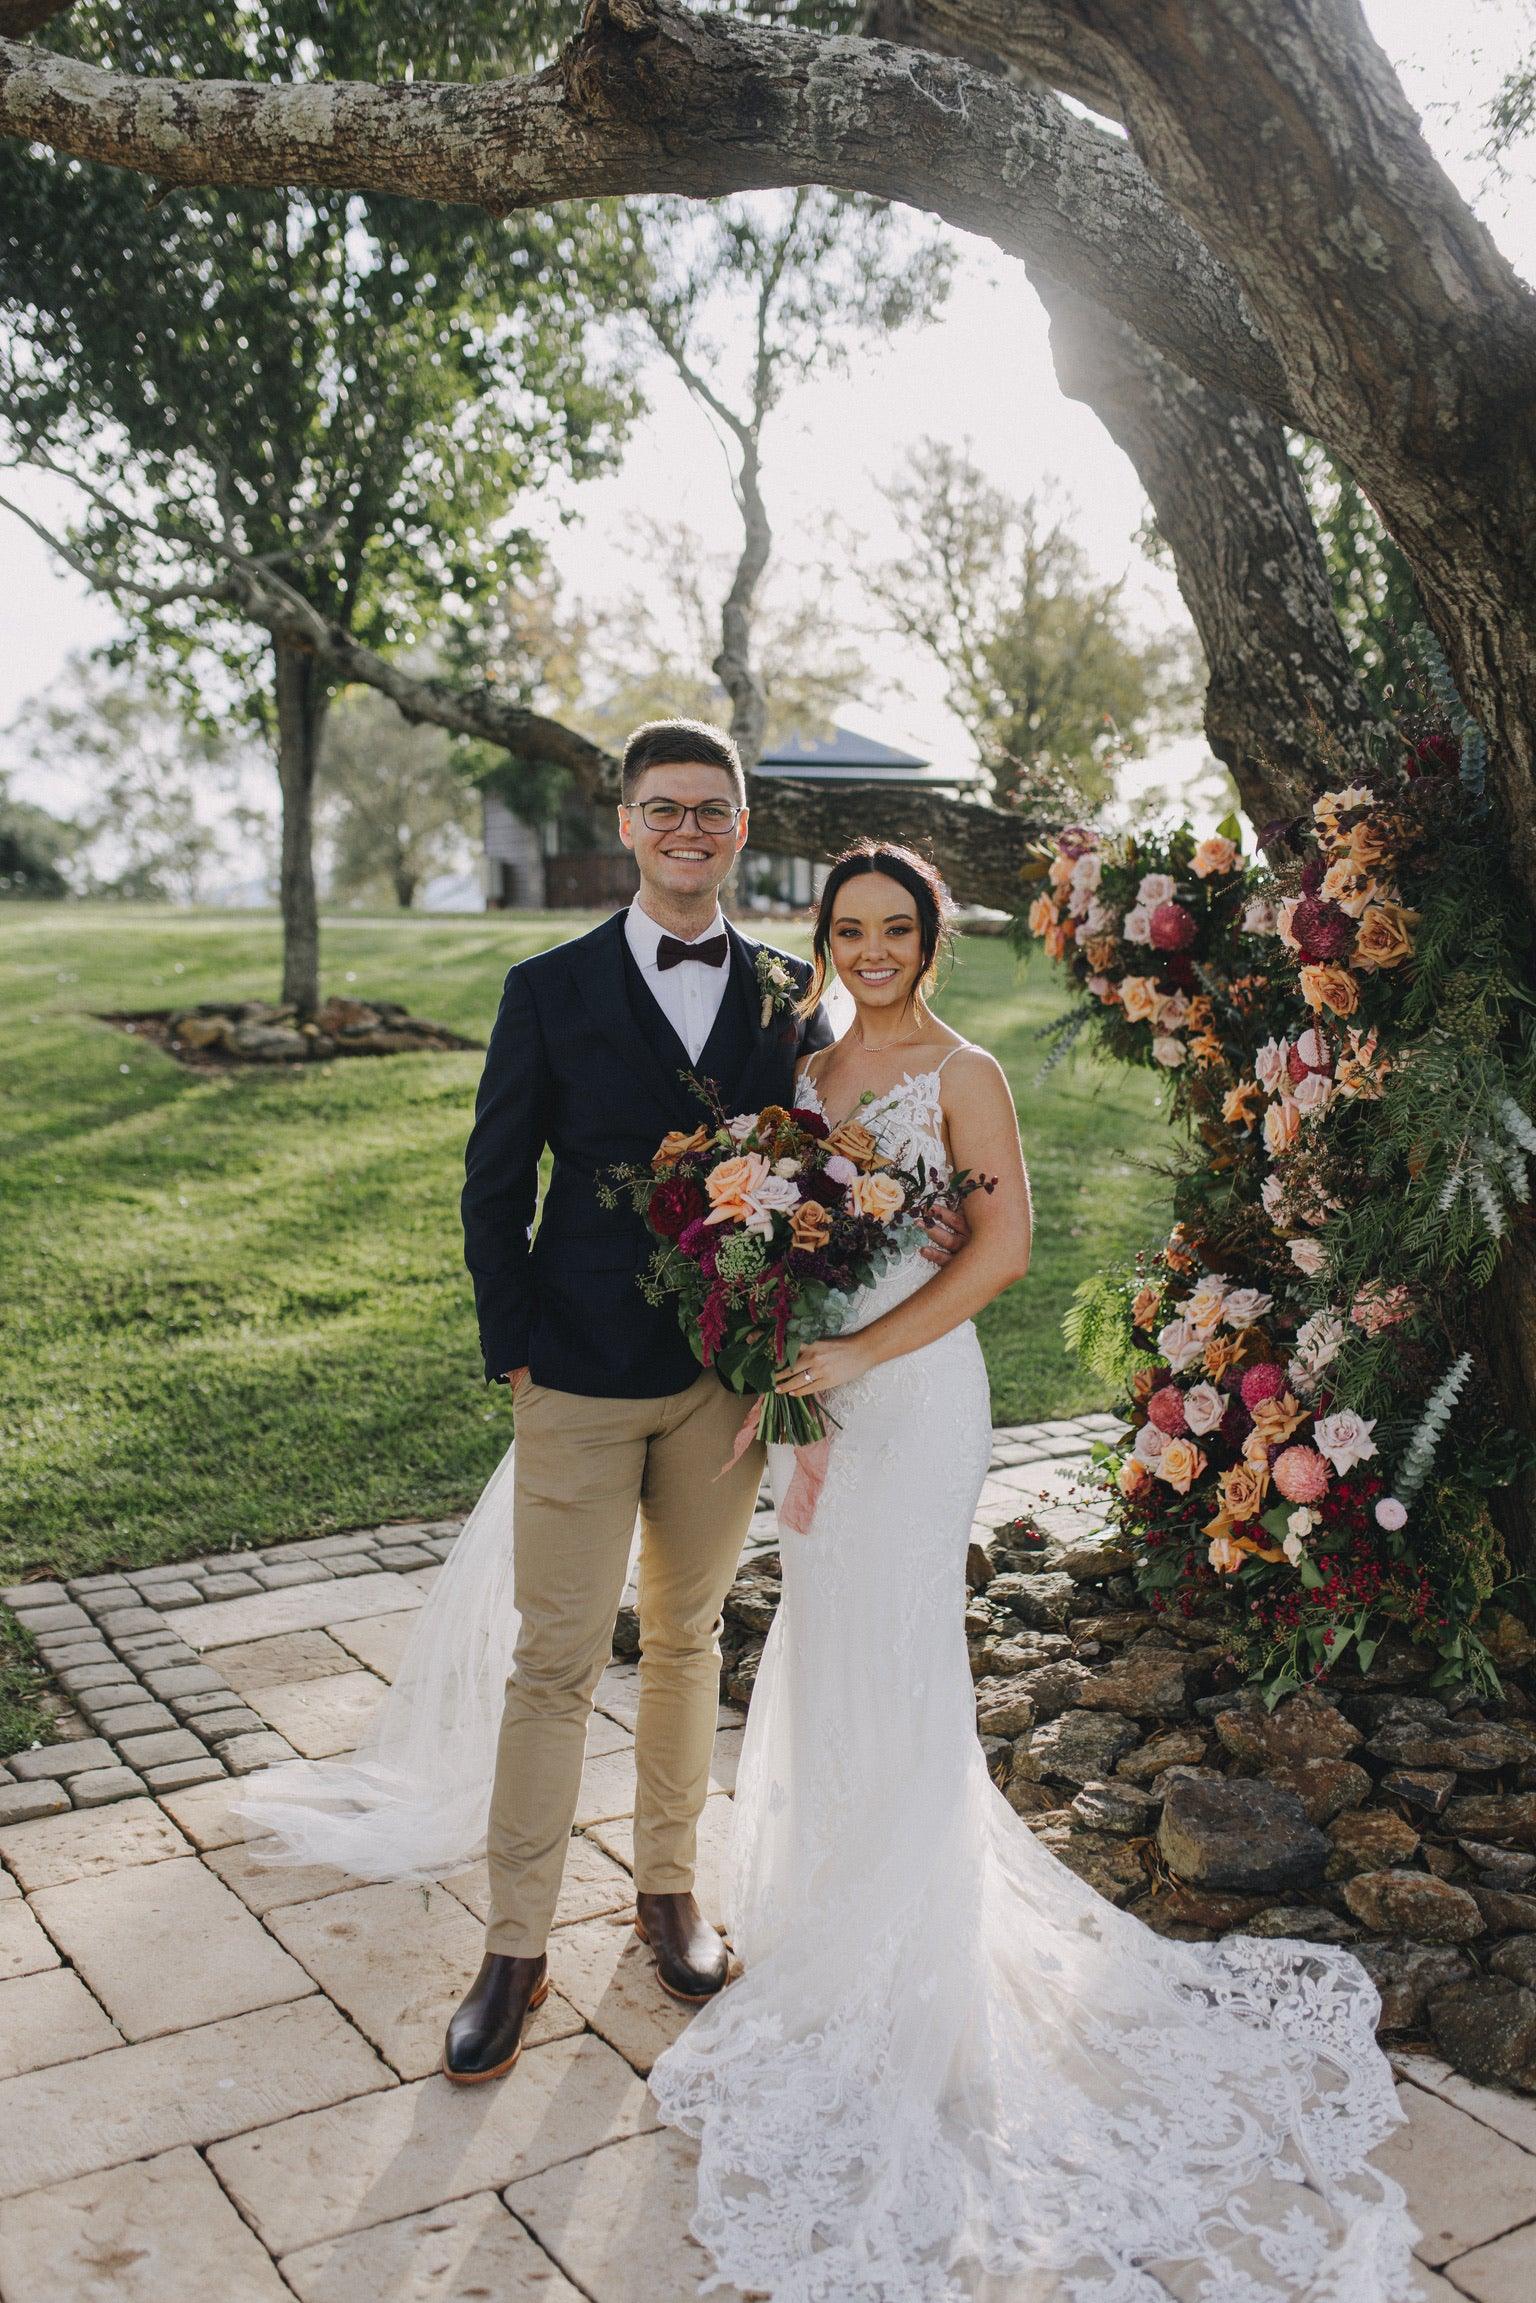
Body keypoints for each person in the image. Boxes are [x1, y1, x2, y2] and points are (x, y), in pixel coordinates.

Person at [643, 840, 1420, 2303]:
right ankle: (821, 1925)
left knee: (901, 1649)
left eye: (897, 928)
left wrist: (865, 1353)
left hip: (919, 1396)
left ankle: (920, 1986)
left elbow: (1000, 1251)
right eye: (850, 928)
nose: (873, 949)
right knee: (823, 1640)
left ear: (930, 939)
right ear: (825, 937)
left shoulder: (963, 1072)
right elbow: (782, 1248)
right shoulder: (804, 1082)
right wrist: (773, 1362)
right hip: (825, 1399)